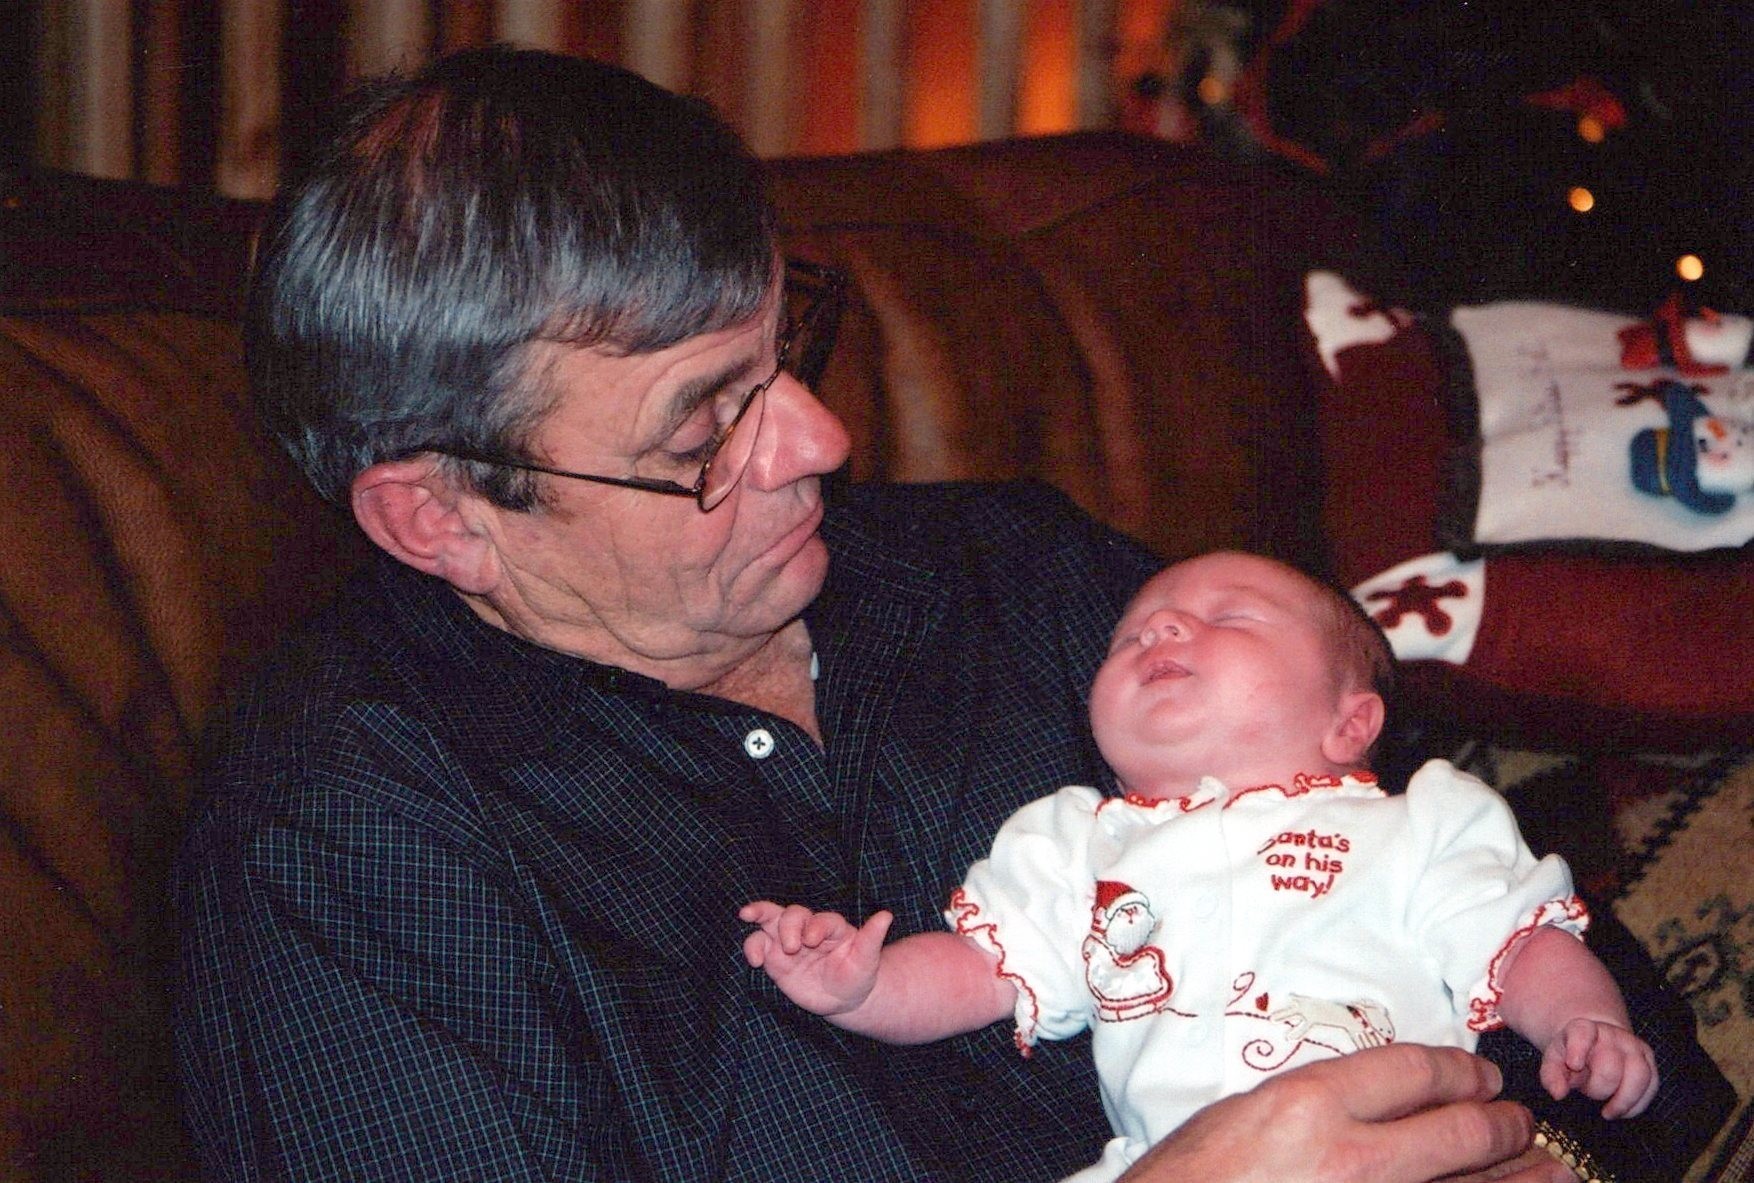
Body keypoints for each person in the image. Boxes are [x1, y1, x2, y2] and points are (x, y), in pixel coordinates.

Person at [174, 44, 1588, 1183]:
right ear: (441, 517)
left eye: (782, 344)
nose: (821, 437)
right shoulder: (349, 849)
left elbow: (1487, 908)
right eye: (701, 427)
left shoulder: (1020, 575)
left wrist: (1544, 1151)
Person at [741, 551, 1658, 1180]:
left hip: (1399, 1152)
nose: (1163, 628)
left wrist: (1586, 1021)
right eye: (1130, 636)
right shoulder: (1078, 843)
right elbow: (981, 968)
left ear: (1351, 721)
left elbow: (1521, 941)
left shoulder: (1417, 822)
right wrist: (866, 986)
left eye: (1229, 617)